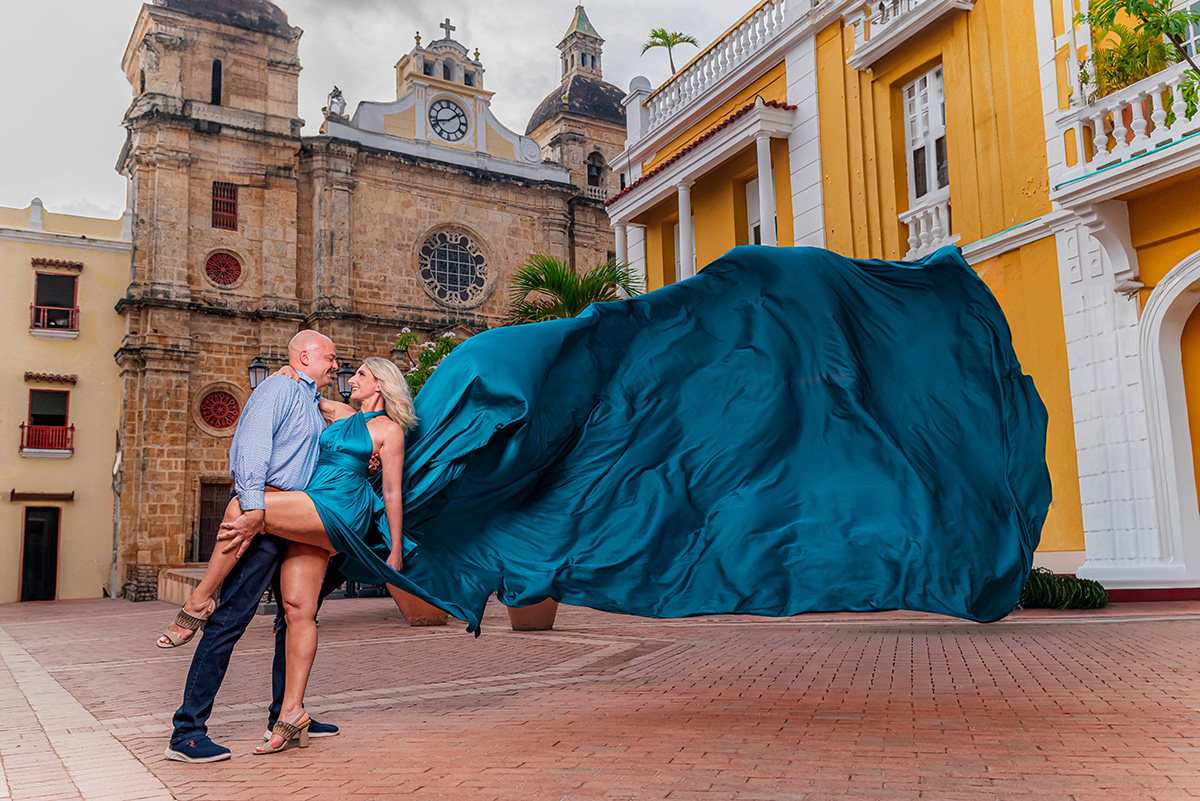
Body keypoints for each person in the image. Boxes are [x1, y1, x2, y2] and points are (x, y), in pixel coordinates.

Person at [163, 355, 418, 755]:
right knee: (298, 609)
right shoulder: (341, 413)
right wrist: (286, 374)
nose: (350, 378)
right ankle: (292, 711)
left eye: (361, 375)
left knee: (242, 506)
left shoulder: (391, 431)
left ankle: (199, 600)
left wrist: (396, 550)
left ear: (380, 385)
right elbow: (307, 395)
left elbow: (392, 492)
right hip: (311, 504)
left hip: (339, 508)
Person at [163, 330, 346, 763]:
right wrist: (252, 508)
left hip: (292, 518)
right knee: (230, 619)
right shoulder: (278, 388)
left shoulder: (308, 399)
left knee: (293, 618)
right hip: (263, 514)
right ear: (305, 356)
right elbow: (252, 446)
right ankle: (186, 733)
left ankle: (285, 714)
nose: (336, 365)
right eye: (330, 357)